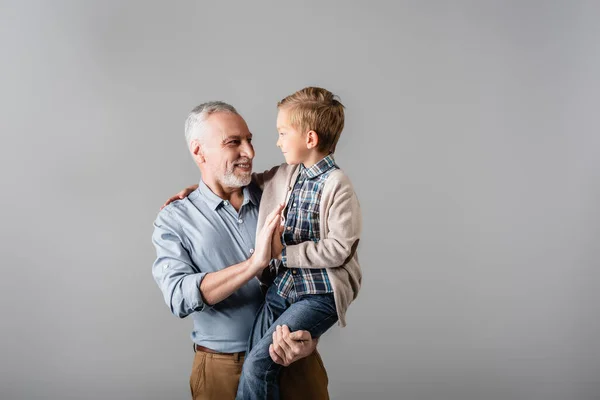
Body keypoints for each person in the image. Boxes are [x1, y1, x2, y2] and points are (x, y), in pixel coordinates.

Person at [152, 101, 329, 400]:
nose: (249, 152)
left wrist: (311, 338)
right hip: (223, 370)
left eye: (249, 140)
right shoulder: (175, 219)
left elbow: (320, 269)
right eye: (233, 142)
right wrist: (253, 264)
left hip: (294, 362)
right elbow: (178, 295)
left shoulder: (277, 192)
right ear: (199, 151)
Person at [235, 87, 362, 399]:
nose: (277, 142)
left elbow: (340, 248)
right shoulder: (289, 173)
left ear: (310, 140)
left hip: (319, 294)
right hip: (285, 287)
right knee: (255, 354)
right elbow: (247, 182)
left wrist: (285, 253)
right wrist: (196, 189)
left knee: (258, 366)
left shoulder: (338, 186)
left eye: (282, 133)